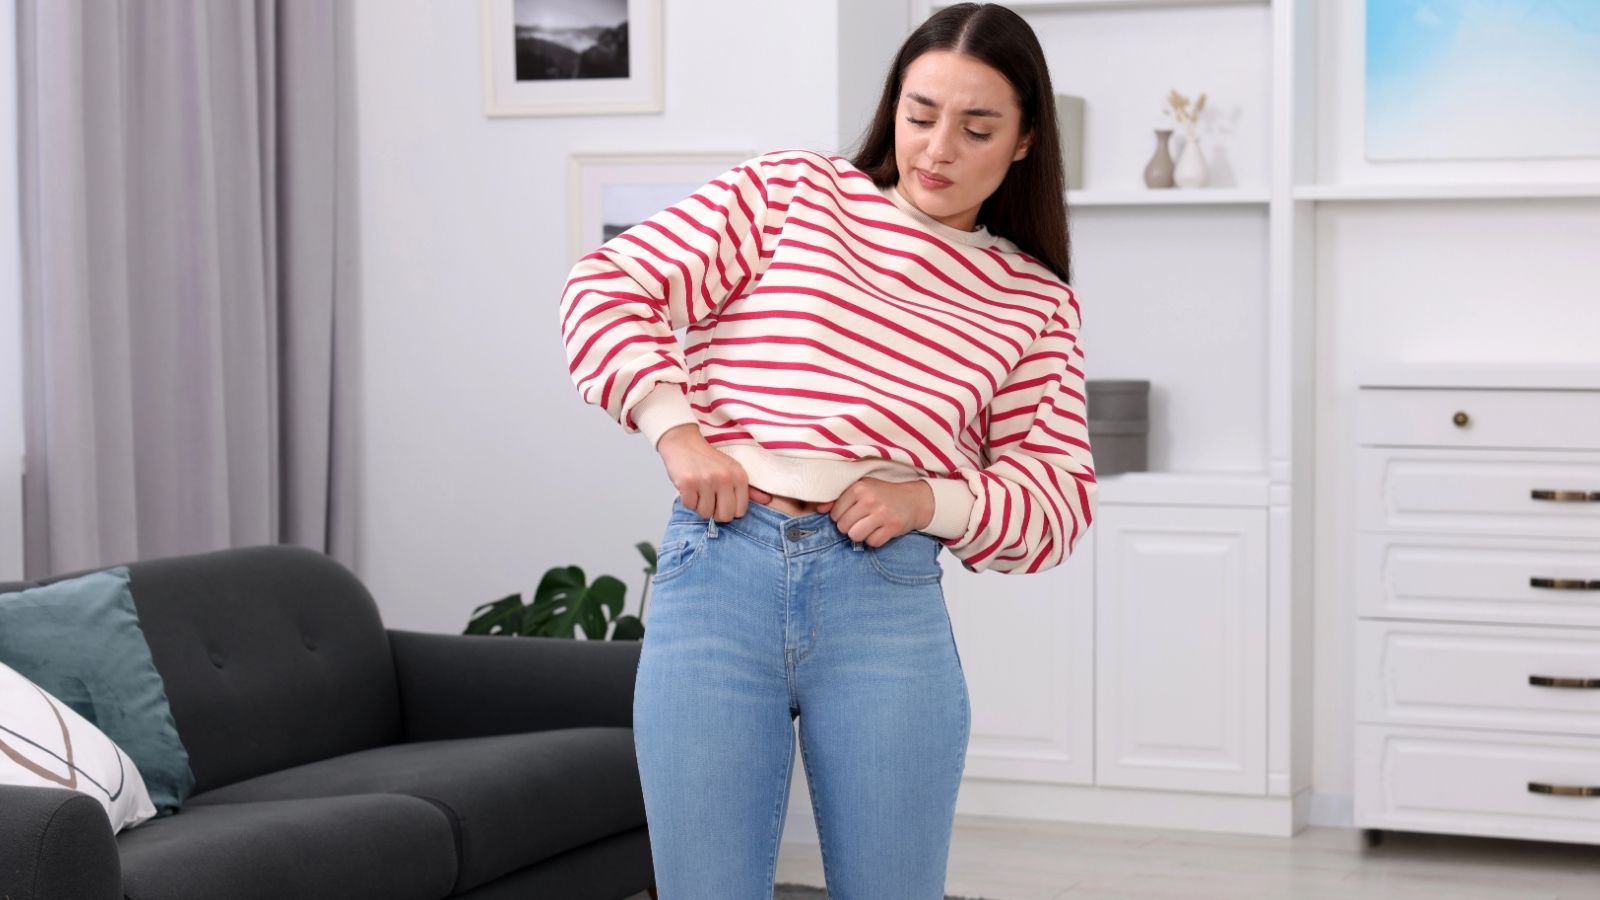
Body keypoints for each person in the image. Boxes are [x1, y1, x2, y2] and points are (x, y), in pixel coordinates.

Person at [558, 4, 1095, 896]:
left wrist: (930, 502)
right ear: (893, 107)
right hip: (718, 575)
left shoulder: (1031, 301)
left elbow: (1057, 500)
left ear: (1028, 140)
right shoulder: (792, 194)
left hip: (884, 600)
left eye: (977, 127)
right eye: (920, 115)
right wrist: (674, 428)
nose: (937, 148)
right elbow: (607, 284)